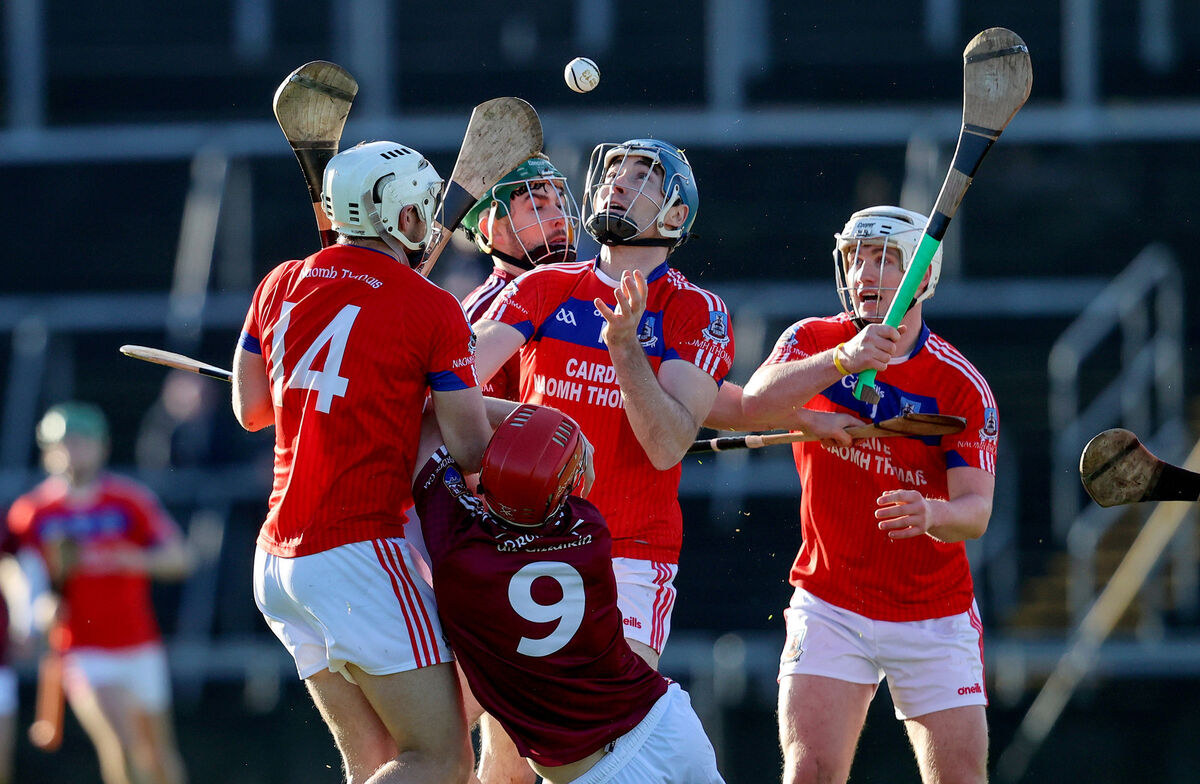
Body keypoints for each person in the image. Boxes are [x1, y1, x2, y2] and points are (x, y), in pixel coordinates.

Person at [231, 140, 493, 784]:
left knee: (375, 761)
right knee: (440, 759)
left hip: (279, 561)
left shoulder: (280, 281)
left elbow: (251, 409)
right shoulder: (431, 306)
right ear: (398, 217)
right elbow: (472, 451)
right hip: (360, 552)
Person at [737, 206, 998, 784]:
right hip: (831, 603)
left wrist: (931, 512)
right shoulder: (813, 339)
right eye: (857, 257)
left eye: (886, 259)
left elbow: (975, 512)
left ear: (922, 276)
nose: (866, 274)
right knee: (810, 772)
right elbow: (755, 403)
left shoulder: (959, 384)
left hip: (934, 614)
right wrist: (842, 362)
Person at [473, 139, 734, 671]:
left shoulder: (697, 311)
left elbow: (667, 445)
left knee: (617, 732)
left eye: (641, 176)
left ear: (676, 214)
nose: (618, 181)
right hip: (525, 539)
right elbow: (456, 380)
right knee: (507, 754)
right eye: (615, 170)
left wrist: (625, 349)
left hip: (630, 558)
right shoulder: (545, 285)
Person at [413, 403, 724, 784]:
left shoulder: (456, 549)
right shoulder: (589, 530)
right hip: (667, 723)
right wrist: (567, 433)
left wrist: (498, 428)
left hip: (598, 771)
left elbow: (430, 415)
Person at [7, 402, 191, 784]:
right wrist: (32, 612)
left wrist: (132, 559)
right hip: (82, 649)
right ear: (48, 450)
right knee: (121, 742)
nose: (73, 451)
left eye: (82, 442)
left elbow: (180, 558)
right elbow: (19, 573)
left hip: (140, 644)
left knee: (158, 756)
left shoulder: (129, 501)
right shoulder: (33, 512)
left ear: (102, 447)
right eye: (64, 443)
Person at [459, 154, 580, 396]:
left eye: (560, 204)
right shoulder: (482, 313)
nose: (559, 219)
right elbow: (474, 426)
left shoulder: (587, 294)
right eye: (537, 207)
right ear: (493, 229)